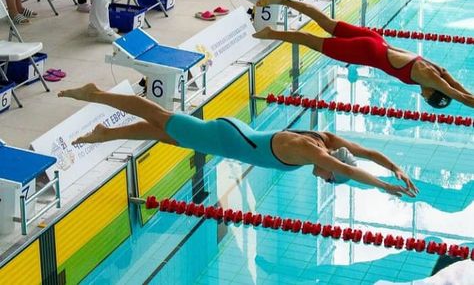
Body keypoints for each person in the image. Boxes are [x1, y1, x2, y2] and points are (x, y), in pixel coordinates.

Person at [59, 83, 418, 197]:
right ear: (331, 170)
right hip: (225, 136)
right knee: (160, 118)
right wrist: (387, 186)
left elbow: (364, 152)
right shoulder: (315, 152)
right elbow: (350, 168)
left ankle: (106, 135)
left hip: (229, 137)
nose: (326, 179)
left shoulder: (325, 139)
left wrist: (396, 167)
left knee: (165, 133)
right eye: (330, 179)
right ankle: (96, 94)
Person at [253, 0, 474, 109]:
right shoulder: (430, 80)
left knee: (326, 22)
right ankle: (270, 33)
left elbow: (458, 86)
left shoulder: (435, 70)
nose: (423, 96)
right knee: (311, 41)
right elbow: (460, 96)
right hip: (367, 52)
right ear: (435, 93)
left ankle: (282, 0)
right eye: (427, 98)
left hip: (377, 41)